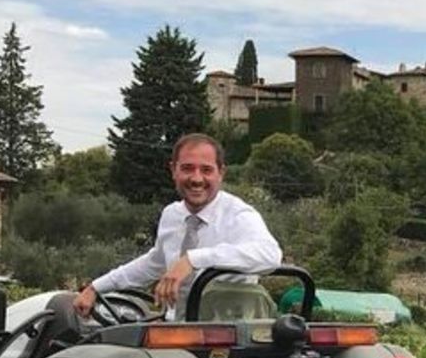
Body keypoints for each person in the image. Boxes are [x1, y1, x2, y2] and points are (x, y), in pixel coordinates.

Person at [73, 133, 282, 320]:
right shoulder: (172, 214)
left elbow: (270, 255)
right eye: (187, 168)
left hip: (222, 335)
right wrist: (96, 288)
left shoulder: (239, 215)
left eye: (206, 170)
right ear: (174, 170)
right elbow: (154, 262)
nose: (197, 179)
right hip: (176, 329)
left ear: (221, 173)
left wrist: (193, 259)